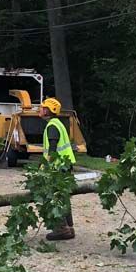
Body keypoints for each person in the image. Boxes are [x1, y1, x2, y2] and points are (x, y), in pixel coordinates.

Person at [40, 97, 76, 241]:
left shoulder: (52, 126)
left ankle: (62, 229)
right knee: (63, 196)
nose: (40, 109)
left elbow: (53, 149)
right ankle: (69, 227)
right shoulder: (57, 124)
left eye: (43, 107)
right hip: (64, 166)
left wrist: (45, 165)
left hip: (58, 167)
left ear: (49, 110)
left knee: (54, 197)